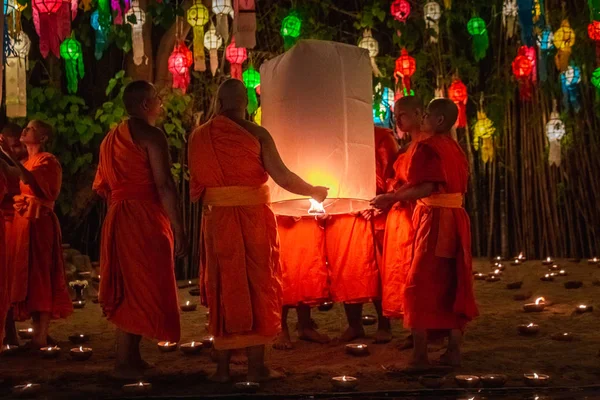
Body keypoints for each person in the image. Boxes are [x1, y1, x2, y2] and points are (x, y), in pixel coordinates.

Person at [188, 79, 328, 383]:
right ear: (246, 102)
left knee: (224, 286)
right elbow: (283, 176)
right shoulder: (257, 133)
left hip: (217, 221)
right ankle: (256, 368)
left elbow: (197, 185)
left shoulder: (200, 136)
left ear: (219, 102)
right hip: (252, 221)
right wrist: (313, 190)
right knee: (256, 286)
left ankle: (223, 370)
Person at [371, 98, 479, 368]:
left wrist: (390, 198)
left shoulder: (428, 148)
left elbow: (426, 187)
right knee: (454, 282)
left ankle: (420, 355)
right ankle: (453, 350)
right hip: (456, 218)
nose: (423, 119)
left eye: (427, 114)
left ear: (439, 120)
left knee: (418, 284)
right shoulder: (454, 147)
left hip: (435, 220)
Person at [93, 80, 187, 379]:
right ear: (146, 105)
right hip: (143, 215)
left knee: (131, 286)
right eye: (158, 97)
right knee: (145, 283)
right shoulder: (150, 135)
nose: (161, 102)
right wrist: (178, 226)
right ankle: (124, 361)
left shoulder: (110, 138)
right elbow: (163, 184)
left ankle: (129, 357)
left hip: (118, 215)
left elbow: (104, 188)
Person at [0, 120, 73, 349]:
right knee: (25, 276)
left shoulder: (47, 160)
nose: (24, 131)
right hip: (23, 224)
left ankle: (40, 336)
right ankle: (28, 336)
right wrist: (8, 156)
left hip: (40, 222)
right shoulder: (26, 161)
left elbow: (29, 180)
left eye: (30, 129)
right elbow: (13, 174)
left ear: (42, 138)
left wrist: (7, 154)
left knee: (41, 275)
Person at [0, 123, 27, 346]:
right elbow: (18, 180)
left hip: (12, 222)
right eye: (16, 145)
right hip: (6, 223)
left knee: (7, 280)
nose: (21, 150)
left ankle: (10, 332)